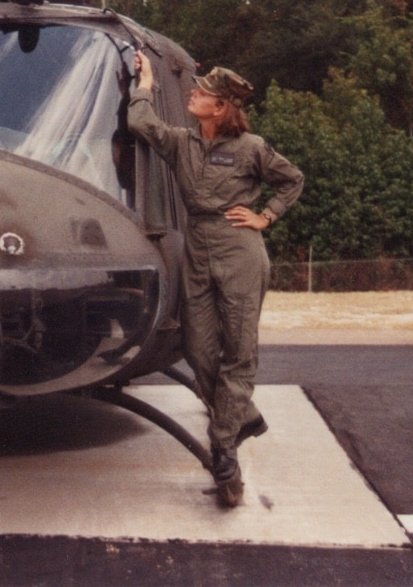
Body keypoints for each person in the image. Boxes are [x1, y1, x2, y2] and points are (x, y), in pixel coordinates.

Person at [128, 54, 304, 507]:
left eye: (202, 93)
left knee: (239, 350)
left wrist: (265, 216)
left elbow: (292, 180)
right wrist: (144, 81)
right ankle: (238, 420)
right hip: (198, 247)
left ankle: (224, 448)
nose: (193, 93)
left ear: (222, 106)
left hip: (239, 248)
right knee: (198, 347)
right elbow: (141, 123)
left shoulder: (251, 148)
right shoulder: (182, 143)